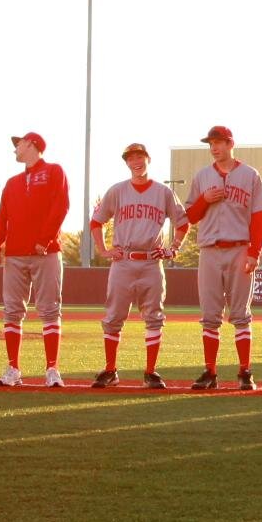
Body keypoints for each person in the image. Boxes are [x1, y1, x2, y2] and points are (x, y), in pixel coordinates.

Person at [88, 143, 183, 389]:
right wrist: (103, 250)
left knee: (154, 317)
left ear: (148, 159)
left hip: (152, 261)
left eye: (140, 156)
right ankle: (110, 370)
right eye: (131, 158)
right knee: (113, 317)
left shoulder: (163, 192)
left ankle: (151, 372)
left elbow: (182, 222)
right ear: (127, 163)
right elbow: (96, 222)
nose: (136, 161)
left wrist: (175, 247)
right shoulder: (117, 191)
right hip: (124, 261)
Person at [181, 125, 262, 391]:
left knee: (241, 314)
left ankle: (244, 371)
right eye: (211, 143)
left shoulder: (250, 175)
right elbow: (191, 217)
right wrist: (204, 199)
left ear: (230, 144)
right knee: (210, 315)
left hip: (240, 248)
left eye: (219, 142)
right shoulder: (203, 176)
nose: (214, 147)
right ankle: (210, 371)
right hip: (209, 250)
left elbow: (258, 217)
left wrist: (255, 252)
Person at [0, 132, 68, 387]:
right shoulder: (12, 182)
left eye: (18, 143)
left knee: (50, 310)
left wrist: (45, 239)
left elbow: (61, 205)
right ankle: (13, 368)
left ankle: (52, 369)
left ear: (32, 144)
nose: (15, 148)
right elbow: (2, 215)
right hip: (15, 254)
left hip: (46, 252)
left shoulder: (54, 171)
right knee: (12, 311)